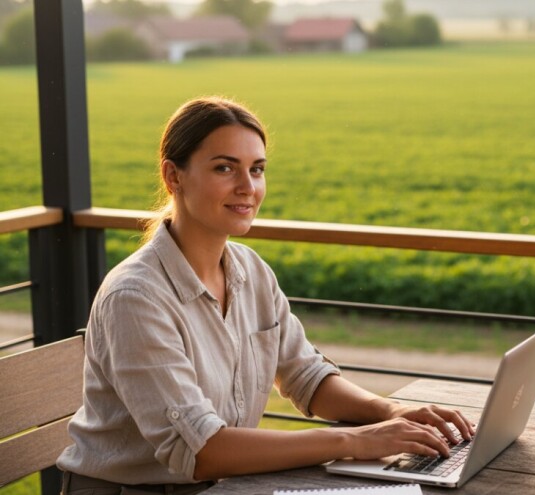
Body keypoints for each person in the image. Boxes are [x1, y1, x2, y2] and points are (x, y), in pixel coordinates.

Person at [57, 96, 474, 494]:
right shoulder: (136, 297)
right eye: (225, 168)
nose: (247, 187)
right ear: (173, 176)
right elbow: (202, 451)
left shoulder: (250, 270)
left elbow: (306, 377)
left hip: (227, 485)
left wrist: (390, 412)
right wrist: (356, 441)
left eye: (256, 169)